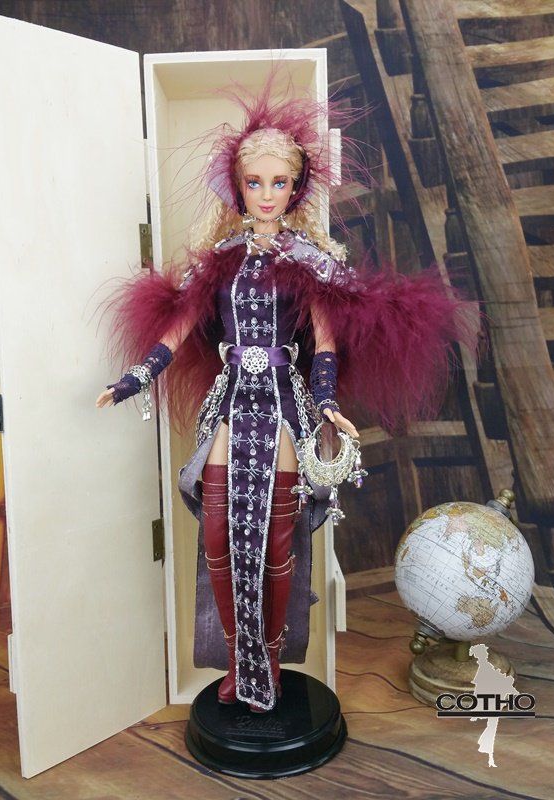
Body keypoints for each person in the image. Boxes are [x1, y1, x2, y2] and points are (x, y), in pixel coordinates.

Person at [95, 78, 479, 713]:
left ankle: (269, 658)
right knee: (217, 534)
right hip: (231, 402)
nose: (267, 194)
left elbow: (325, 342)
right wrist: (136, 377)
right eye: (255, 183)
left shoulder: (309, 259)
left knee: (278, 541)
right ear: (238, 186)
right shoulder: (219, 259)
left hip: (281, 403)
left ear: (296, 188)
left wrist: (326, 402)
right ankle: (239, 657)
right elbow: (179, 326)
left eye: (279, 183)